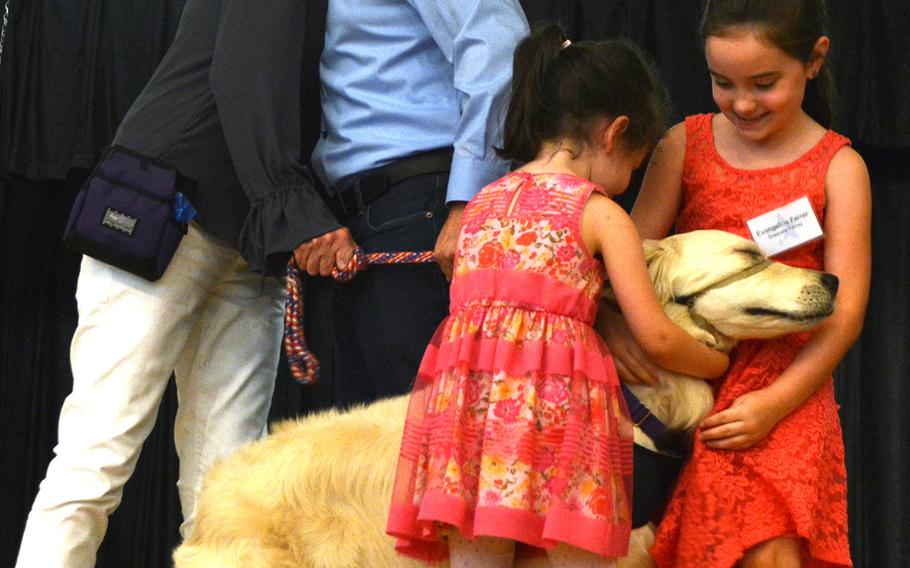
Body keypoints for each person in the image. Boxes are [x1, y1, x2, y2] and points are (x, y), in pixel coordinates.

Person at [385, 23, 730, 567]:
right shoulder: (601, 214)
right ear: (617, 133)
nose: (630, 179)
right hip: (562, 424)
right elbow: (657, 336)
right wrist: (717, 363)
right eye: (636, 164)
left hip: (471, 424)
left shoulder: (480, 206)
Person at [15, 1, 335, 566]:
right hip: (169, 205)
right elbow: (244, 79)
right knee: (98, 451)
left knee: (231, 483)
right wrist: (295, 210)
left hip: (245, 234)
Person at [606, 1, 870, 566]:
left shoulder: (838, 166)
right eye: (722, 83)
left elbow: (844, 312)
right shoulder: (685, 144)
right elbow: (621, 262)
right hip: (679, 382)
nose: (743, 103)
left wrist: (775, 403)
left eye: (764, 83)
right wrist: (613, 324)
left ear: (814, 59)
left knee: (769, 546)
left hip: (786, 392)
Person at [295, 0, 530, 410]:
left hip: (426, 206)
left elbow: (499, 50)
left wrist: (468, 204)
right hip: (370, 220)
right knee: (381, 447)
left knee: (423, 436)